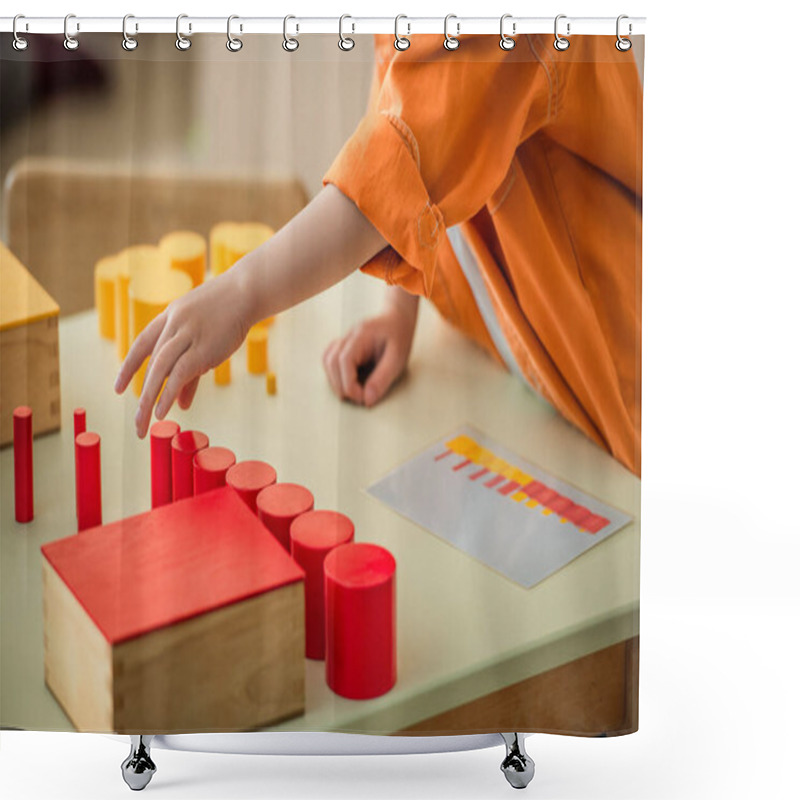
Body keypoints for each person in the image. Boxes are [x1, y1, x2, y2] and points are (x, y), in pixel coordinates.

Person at [115, 33, 642, 476]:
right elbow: (405, 117)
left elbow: (398, 162)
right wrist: (399, 309)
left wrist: (241, 291)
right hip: (515, 370)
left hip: (609, 396)